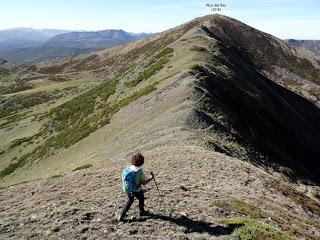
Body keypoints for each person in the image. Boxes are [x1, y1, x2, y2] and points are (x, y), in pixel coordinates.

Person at [118, 152, 154, 221]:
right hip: (135, 189)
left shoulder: (128, 167)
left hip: (127, 188)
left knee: (130, 200)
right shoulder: (139, 171)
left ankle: (122, 214)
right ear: (141, 162)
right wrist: (151, 178)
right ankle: (142, 212)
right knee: (141, 198)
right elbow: (143, 183)